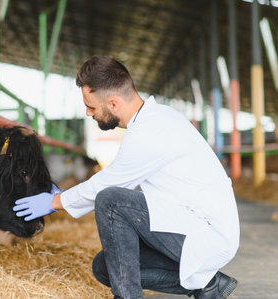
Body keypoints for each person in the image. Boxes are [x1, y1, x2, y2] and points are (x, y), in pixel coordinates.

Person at [13, 56, 240, 299]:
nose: (89, 113)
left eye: (91, 106)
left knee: (112, 201)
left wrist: (56, 202)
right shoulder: (151, 120)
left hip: (206, 232)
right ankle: (209, 285)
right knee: (105, 267)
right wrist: (64, 197)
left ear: (112, 103)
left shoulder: (150, 131)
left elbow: (108, 184)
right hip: (186, 222)